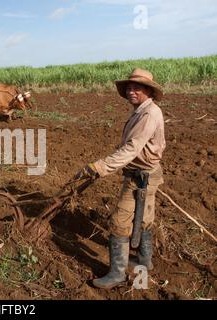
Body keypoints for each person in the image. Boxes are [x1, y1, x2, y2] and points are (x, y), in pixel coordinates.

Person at [75, 68, 166, 289]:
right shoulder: (143, 111)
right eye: (129, 88)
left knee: (118, 224)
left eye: (136, 88)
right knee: (144, 219)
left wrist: (99, 167)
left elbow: (131, 149)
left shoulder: (148, 115)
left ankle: (116, 275)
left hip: (141, 178)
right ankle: (144, 261)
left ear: (148, 91)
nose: (131, 91)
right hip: (147, 173)